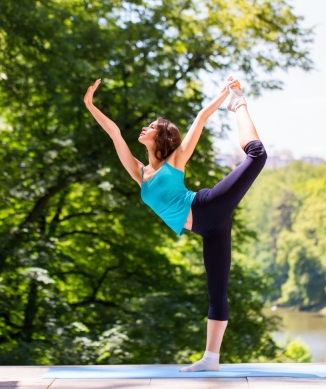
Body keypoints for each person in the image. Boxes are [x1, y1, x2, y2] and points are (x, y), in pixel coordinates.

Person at [83, 76, 267, 372]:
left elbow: (201, 117)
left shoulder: (176, 160)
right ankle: (211, 360)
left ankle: (240, 105)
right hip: (209, 229)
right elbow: (114, 132)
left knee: (257, 156)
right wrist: (90, 105)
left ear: (161, 137)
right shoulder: (139, 173)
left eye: (152, 127)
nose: (144, 128)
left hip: (208, 205)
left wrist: (226, 94)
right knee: (217, 291)